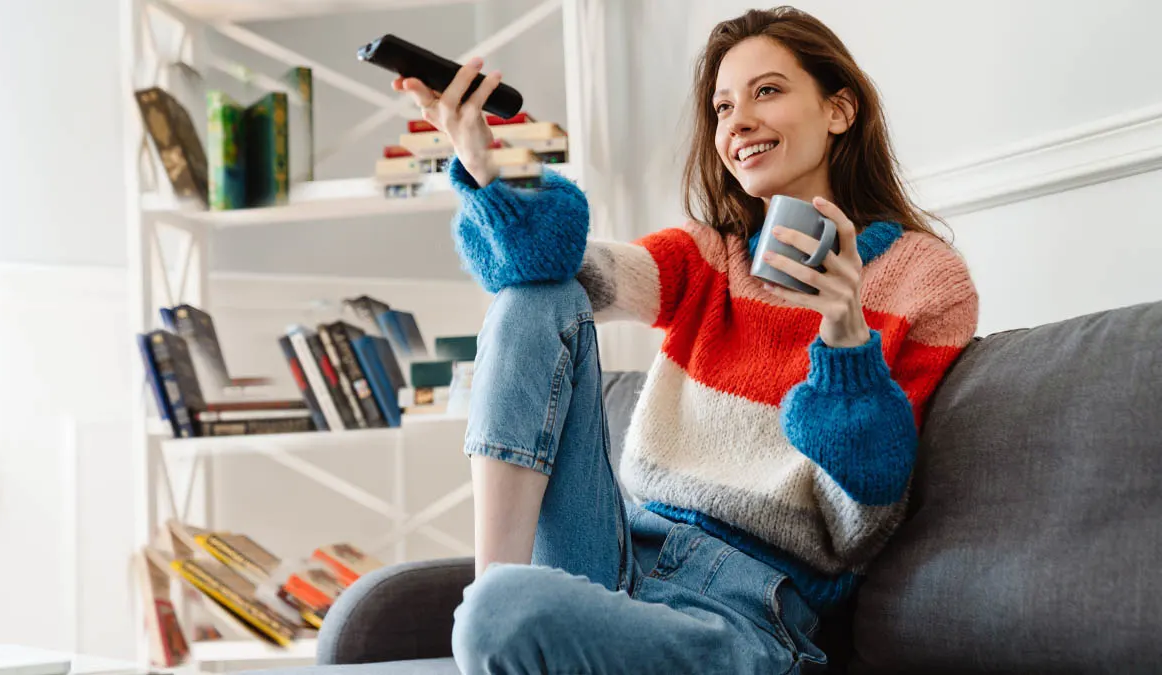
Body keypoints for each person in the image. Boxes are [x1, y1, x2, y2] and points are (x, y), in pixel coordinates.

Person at [393, 6, 978, 674]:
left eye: (768, 91)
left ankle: (496, 617)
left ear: (839, 110)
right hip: (615, 555)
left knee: (506, 616)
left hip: (744, 609)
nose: (739, 122)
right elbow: (546, 263)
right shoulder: (707, 257)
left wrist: (845, 337)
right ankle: (493, 587)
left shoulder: (924, 280)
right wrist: (487, 160)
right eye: (723, 107)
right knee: (538, 295)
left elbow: (861, 520)